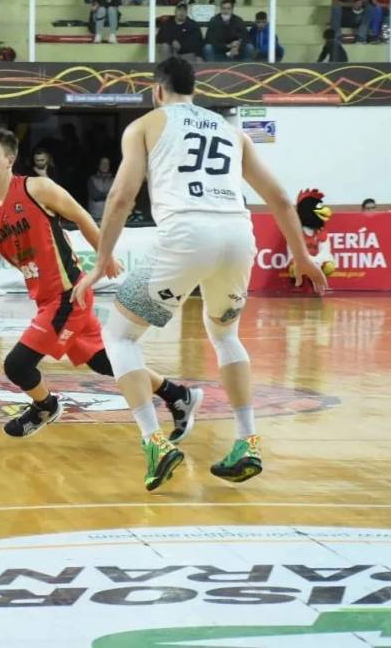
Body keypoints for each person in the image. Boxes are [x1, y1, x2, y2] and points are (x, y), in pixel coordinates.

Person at [0, 127, 199, 491]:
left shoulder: (37, 189)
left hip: (69, 295)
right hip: (46, 299)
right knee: (104, 362)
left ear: (9, 160)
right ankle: (177, 395)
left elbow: (81, 216)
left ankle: (46, 406)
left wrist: (103, 258)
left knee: (17, 365)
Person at [71, 57, 326, 486]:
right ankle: (248, 441)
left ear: (157, 91)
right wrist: (302, 256)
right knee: (225, 335)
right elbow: (281, 199)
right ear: (195, 90)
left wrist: (100, 262)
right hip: (238, 236)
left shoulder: (146, 125)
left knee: (119, 337)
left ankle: (154, 441)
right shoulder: (231, 130)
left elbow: (120, 197)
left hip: (187, 235)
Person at [87, 156, 114, 220]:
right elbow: (95, 196)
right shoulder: (92, 179)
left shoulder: (114, 180)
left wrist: (104, 194)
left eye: (107, 163)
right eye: (102, 163)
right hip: (95, 216)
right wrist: (109, 194)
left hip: (110, 216)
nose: (105, 165)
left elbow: (116, 196)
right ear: (98, 165)